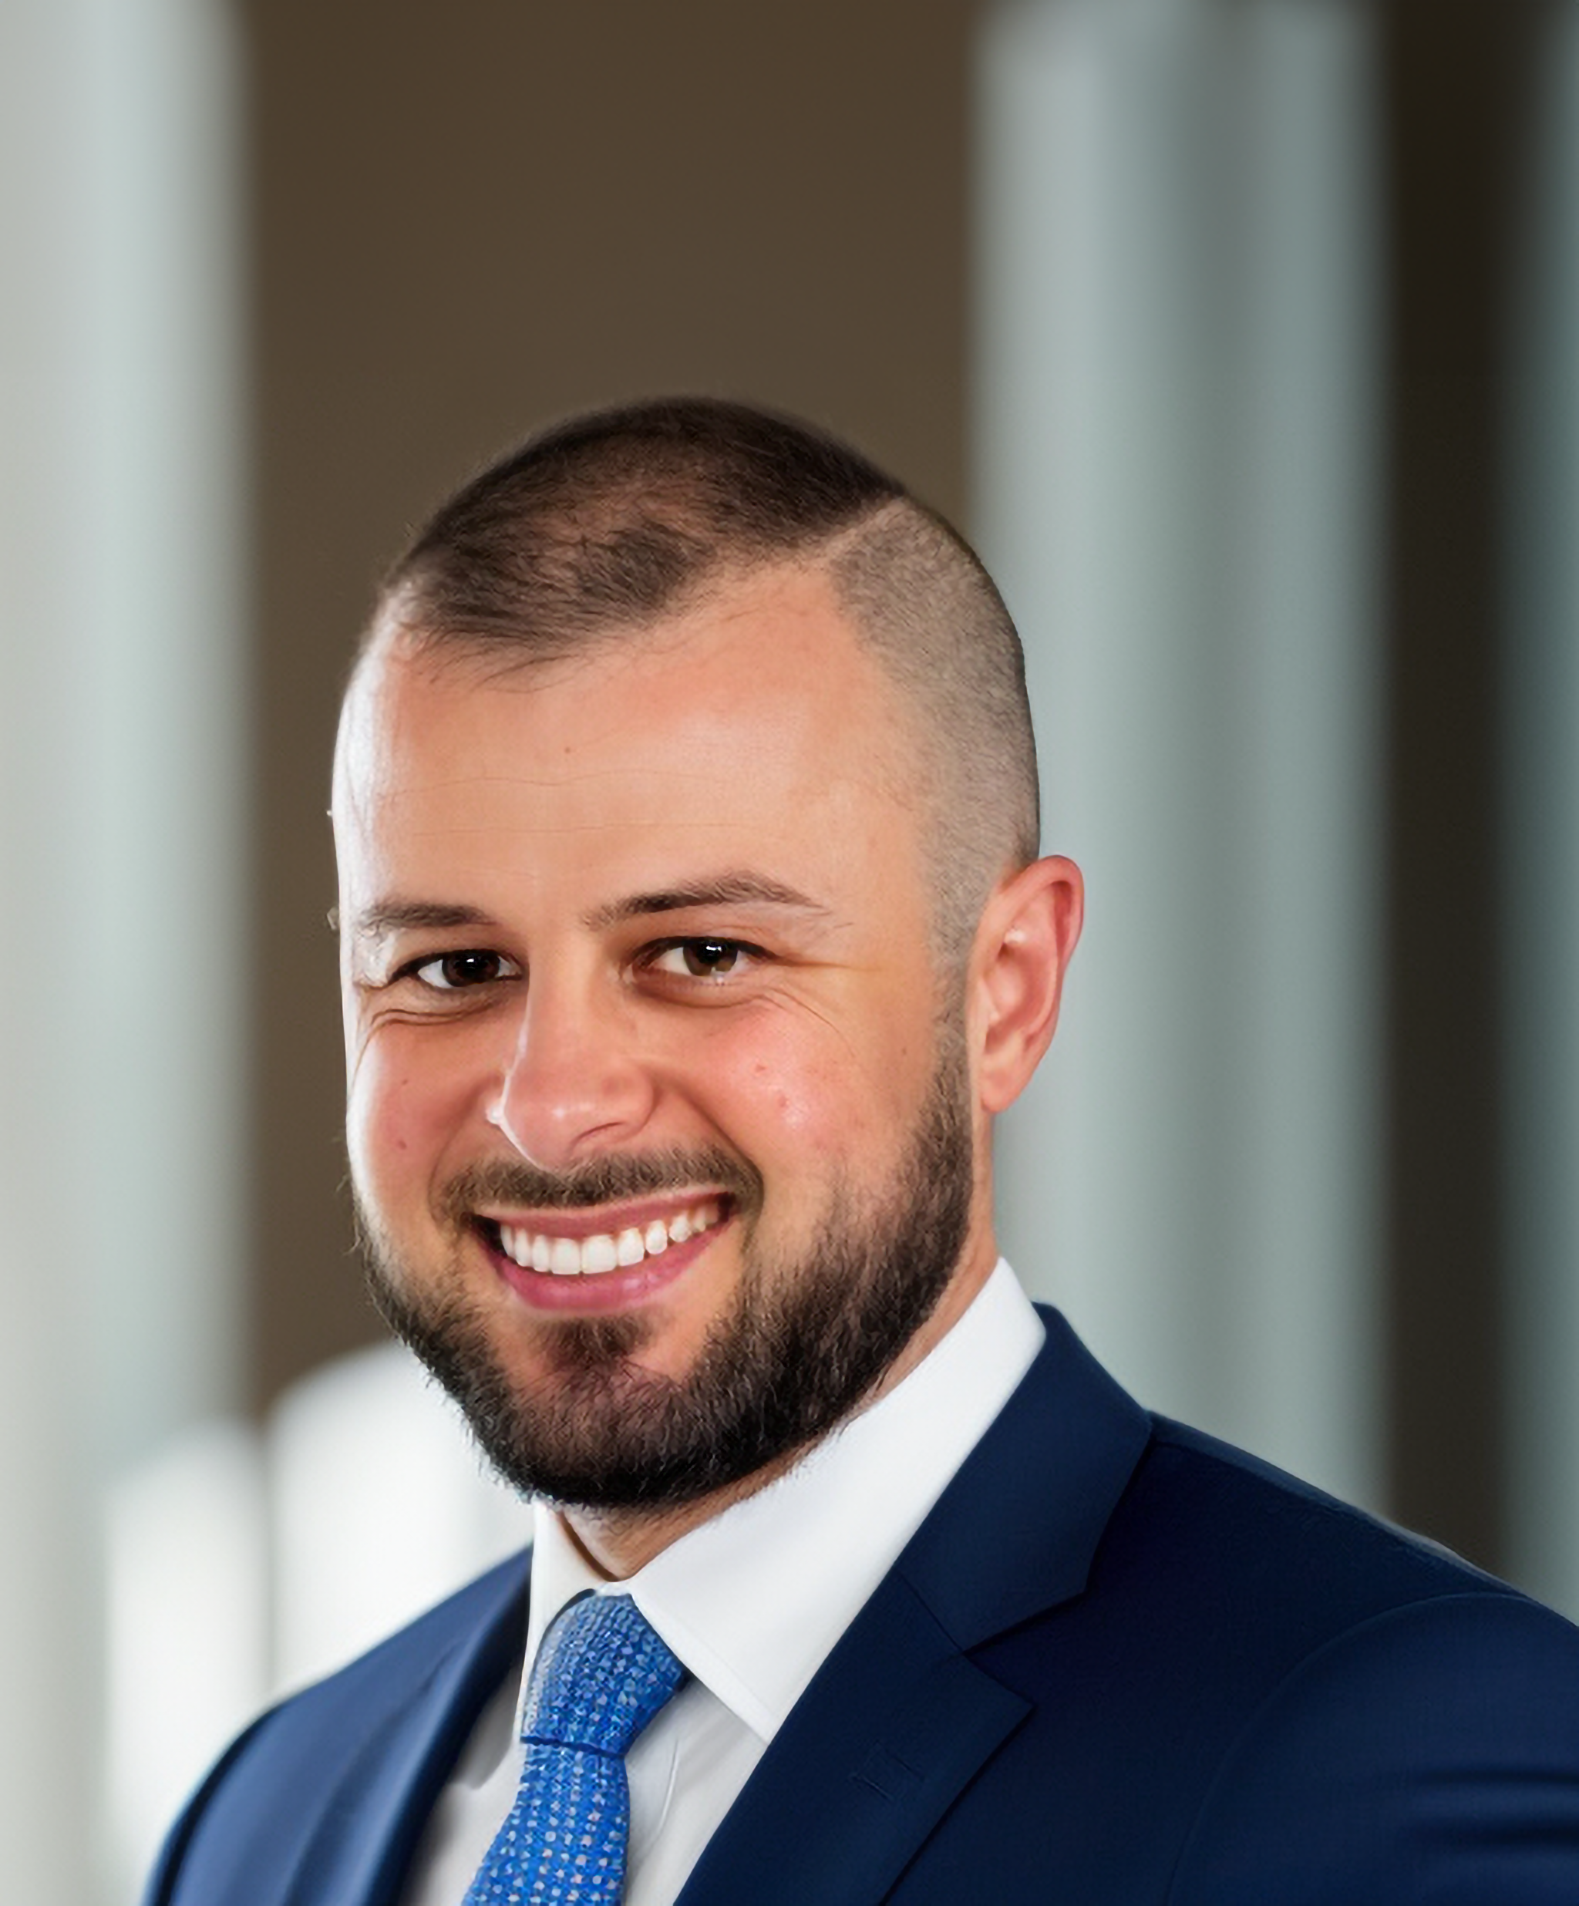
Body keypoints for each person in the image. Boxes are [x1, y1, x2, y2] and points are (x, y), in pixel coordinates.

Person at [146, 398, 1579, 1906]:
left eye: (699, 950)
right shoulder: (262, 1821)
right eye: (447, 968)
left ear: (1006, 990)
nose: (547, 1104)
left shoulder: (1401, 1760)